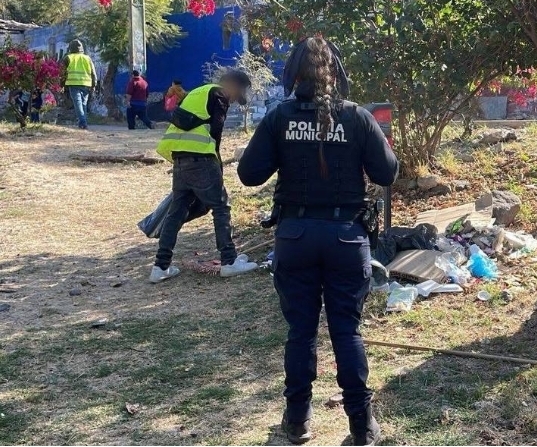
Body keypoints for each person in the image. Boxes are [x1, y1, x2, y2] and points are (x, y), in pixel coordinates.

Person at [238, 36, 398, 446]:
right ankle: (362, 426)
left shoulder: (279, 117)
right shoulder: (358, 117)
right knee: (347, 332)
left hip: (296, 237)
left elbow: (249, 174)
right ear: (337, 73)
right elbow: (387, 173)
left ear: (293, 74)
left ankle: (297, 421)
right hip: (347, 239)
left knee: (301, 332)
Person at [150, 70, 259, 283]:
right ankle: (229, 261)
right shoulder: (219, 94)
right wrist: (217, 167)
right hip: (201, 161)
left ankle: (160, 266)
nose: (234, 100)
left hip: (180, 159)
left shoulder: (196, 94)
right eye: (237, 94)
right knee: (221, 207)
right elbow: (215, 134)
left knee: (176, 213)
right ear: (232, 85)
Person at [62, 40, 97, 130]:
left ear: (71, 48)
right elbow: (93, 73)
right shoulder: (87, 58)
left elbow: (63, 73)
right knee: (83, 104)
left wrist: (61, 84)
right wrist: (94, 85)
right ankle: (83, 123)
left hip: (73, 84)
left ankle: (83, 122)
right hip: (86, 84)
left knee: (78, 104)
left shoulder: (68, 58)